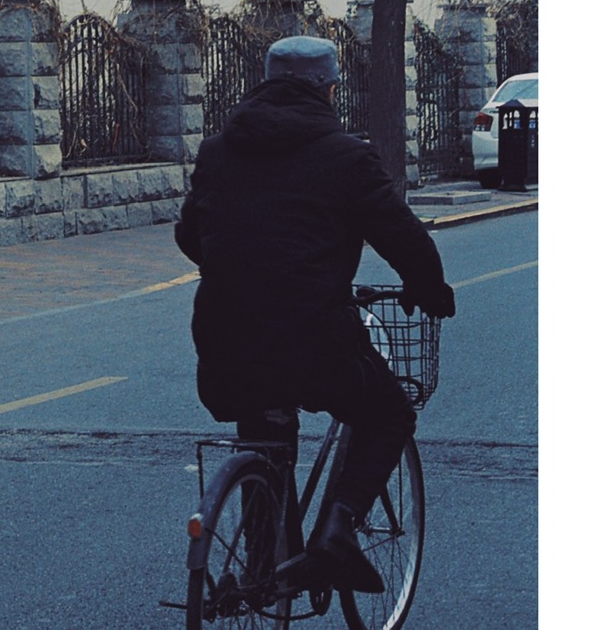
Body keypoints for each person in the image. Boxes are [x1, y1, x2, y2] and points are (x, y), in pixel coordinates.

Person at [174, 34, 456, 593]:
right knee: (390, 413)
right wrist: (429, 289)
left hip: (227, 338)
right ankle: (338, 529)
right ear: (329, 89)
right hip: (313, 339)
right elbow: (402, 236)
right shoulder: (346, 156)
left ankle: (261, 572)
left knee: (263, 431)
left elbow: (190, 235)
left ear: (264, 83)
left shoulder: (217, 151)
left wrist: (239, 265)